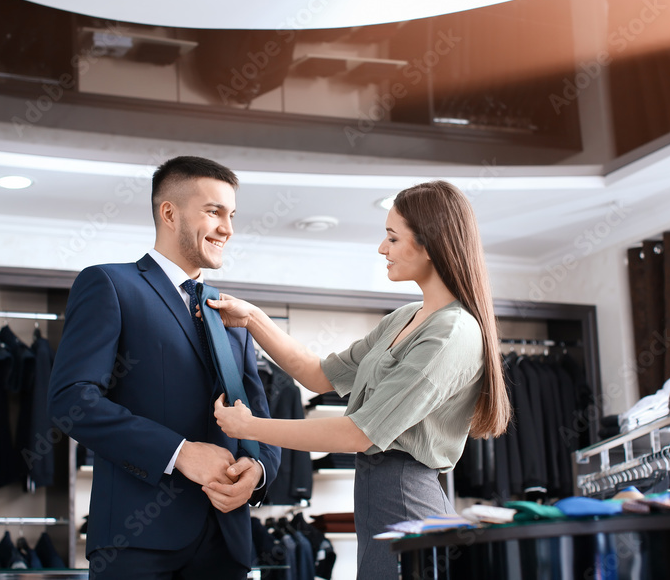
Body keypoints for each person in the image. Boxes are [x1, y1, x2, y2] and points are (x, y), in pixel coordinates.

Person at [211, 180, 511, 579]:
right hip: (376, 498)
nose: (381, 248)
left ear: (430, 244)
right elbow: (318, 375)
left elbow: (359, 434)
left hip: (407, 499)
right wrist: (253, 318)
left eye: (392, 237)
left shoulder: (452, 333)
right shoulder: (403, 318)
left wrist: (249, 427)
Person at [48, 156, 281, 579]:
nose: (228, 228)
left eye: (231, 215)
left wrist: (258, 471)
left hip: (227, 543)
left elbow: (260, 420)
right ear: (169, 213)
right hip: (137, 541)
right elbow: (72, 401)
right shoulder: (110, 285)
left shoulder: (232, 314)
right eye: (214, 212)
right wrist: (181, 454)